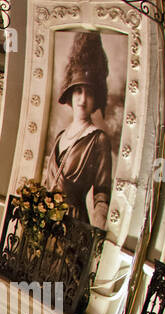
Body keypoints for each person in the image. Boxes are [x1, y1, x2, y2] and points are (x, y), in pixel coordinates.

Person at [42, 30, 114, 228]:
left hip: (73, 224)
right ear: (70, 94)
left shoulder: (98, 140)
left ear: (96, 99)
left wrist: (97, 230)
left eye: (89, 93)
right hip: (47, 221)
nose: (82, 99)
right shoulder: (60, 136)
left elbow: (102, 193)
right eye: (78, 91)